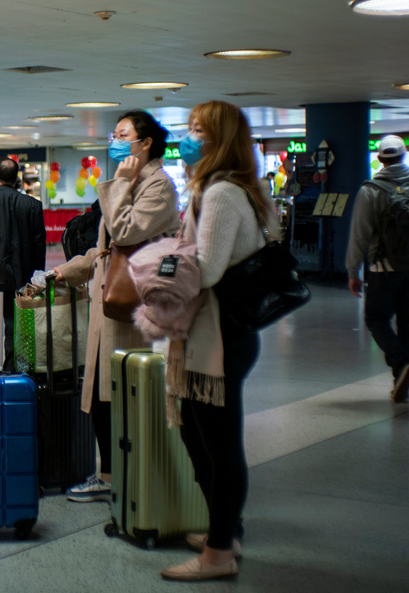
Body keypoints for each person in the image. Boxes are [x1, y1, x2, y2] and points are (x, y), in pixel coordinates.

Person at [151, 100, 281, 582]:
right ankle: (223, 533)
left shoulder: (222, 192)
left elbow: (205, 269)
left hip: (219, 337)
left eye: (198, 130)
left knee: (219, 446)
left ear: (221, 140)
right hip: (218, 333)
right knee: (200, 436)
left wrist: (164, 263)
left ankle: (220, 552)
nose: (188, 138)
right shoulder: (237, 188)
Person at [53, 110, 180, 504]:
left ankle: (122, 474)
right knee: (103, 391)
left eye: (124, 135)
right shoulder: (135, 183)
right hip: (109, 298)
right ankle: (109, 472)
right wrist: (67, 272)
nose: (116, 141)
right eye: (115, 135)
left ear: (146, 143)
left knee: (124, 391)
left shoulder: (158, 186)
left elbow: (125, 232)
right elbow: (105, 248)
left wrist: (120, 184)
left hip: (133, 303)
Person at [346, 134, 409, 404]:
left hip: (384, 269)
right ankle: (404, 385)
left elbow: (359, 235)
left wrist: (353, 271)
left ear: (380, 159)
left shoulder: (371, 190)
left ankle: (401, 365)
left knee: (376, 319)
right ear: (404, 156)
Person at [0, 157, 47, 364]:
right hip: (21, 277)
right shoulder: (33, 205)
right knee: (16, 326)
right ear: (16, 179)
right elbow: (39, 244)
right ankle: (11, 369)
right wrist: (36, 277)